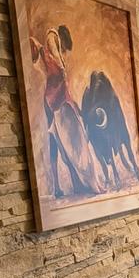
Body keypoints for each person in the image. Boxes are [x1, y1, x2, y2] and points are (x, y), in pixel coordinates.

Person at [30, 25, 103, 199]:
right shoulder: (51, 38)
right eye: (62, 48)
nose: (62, 52)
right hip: (54, 101)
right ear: (61, 39)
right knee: (61, 142)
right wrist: (62, 68)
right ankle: (63, 185)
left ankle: (70, 184)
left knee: (63, 143)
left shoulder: (48, 51)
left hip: (55, 100)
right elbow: (56, 62)